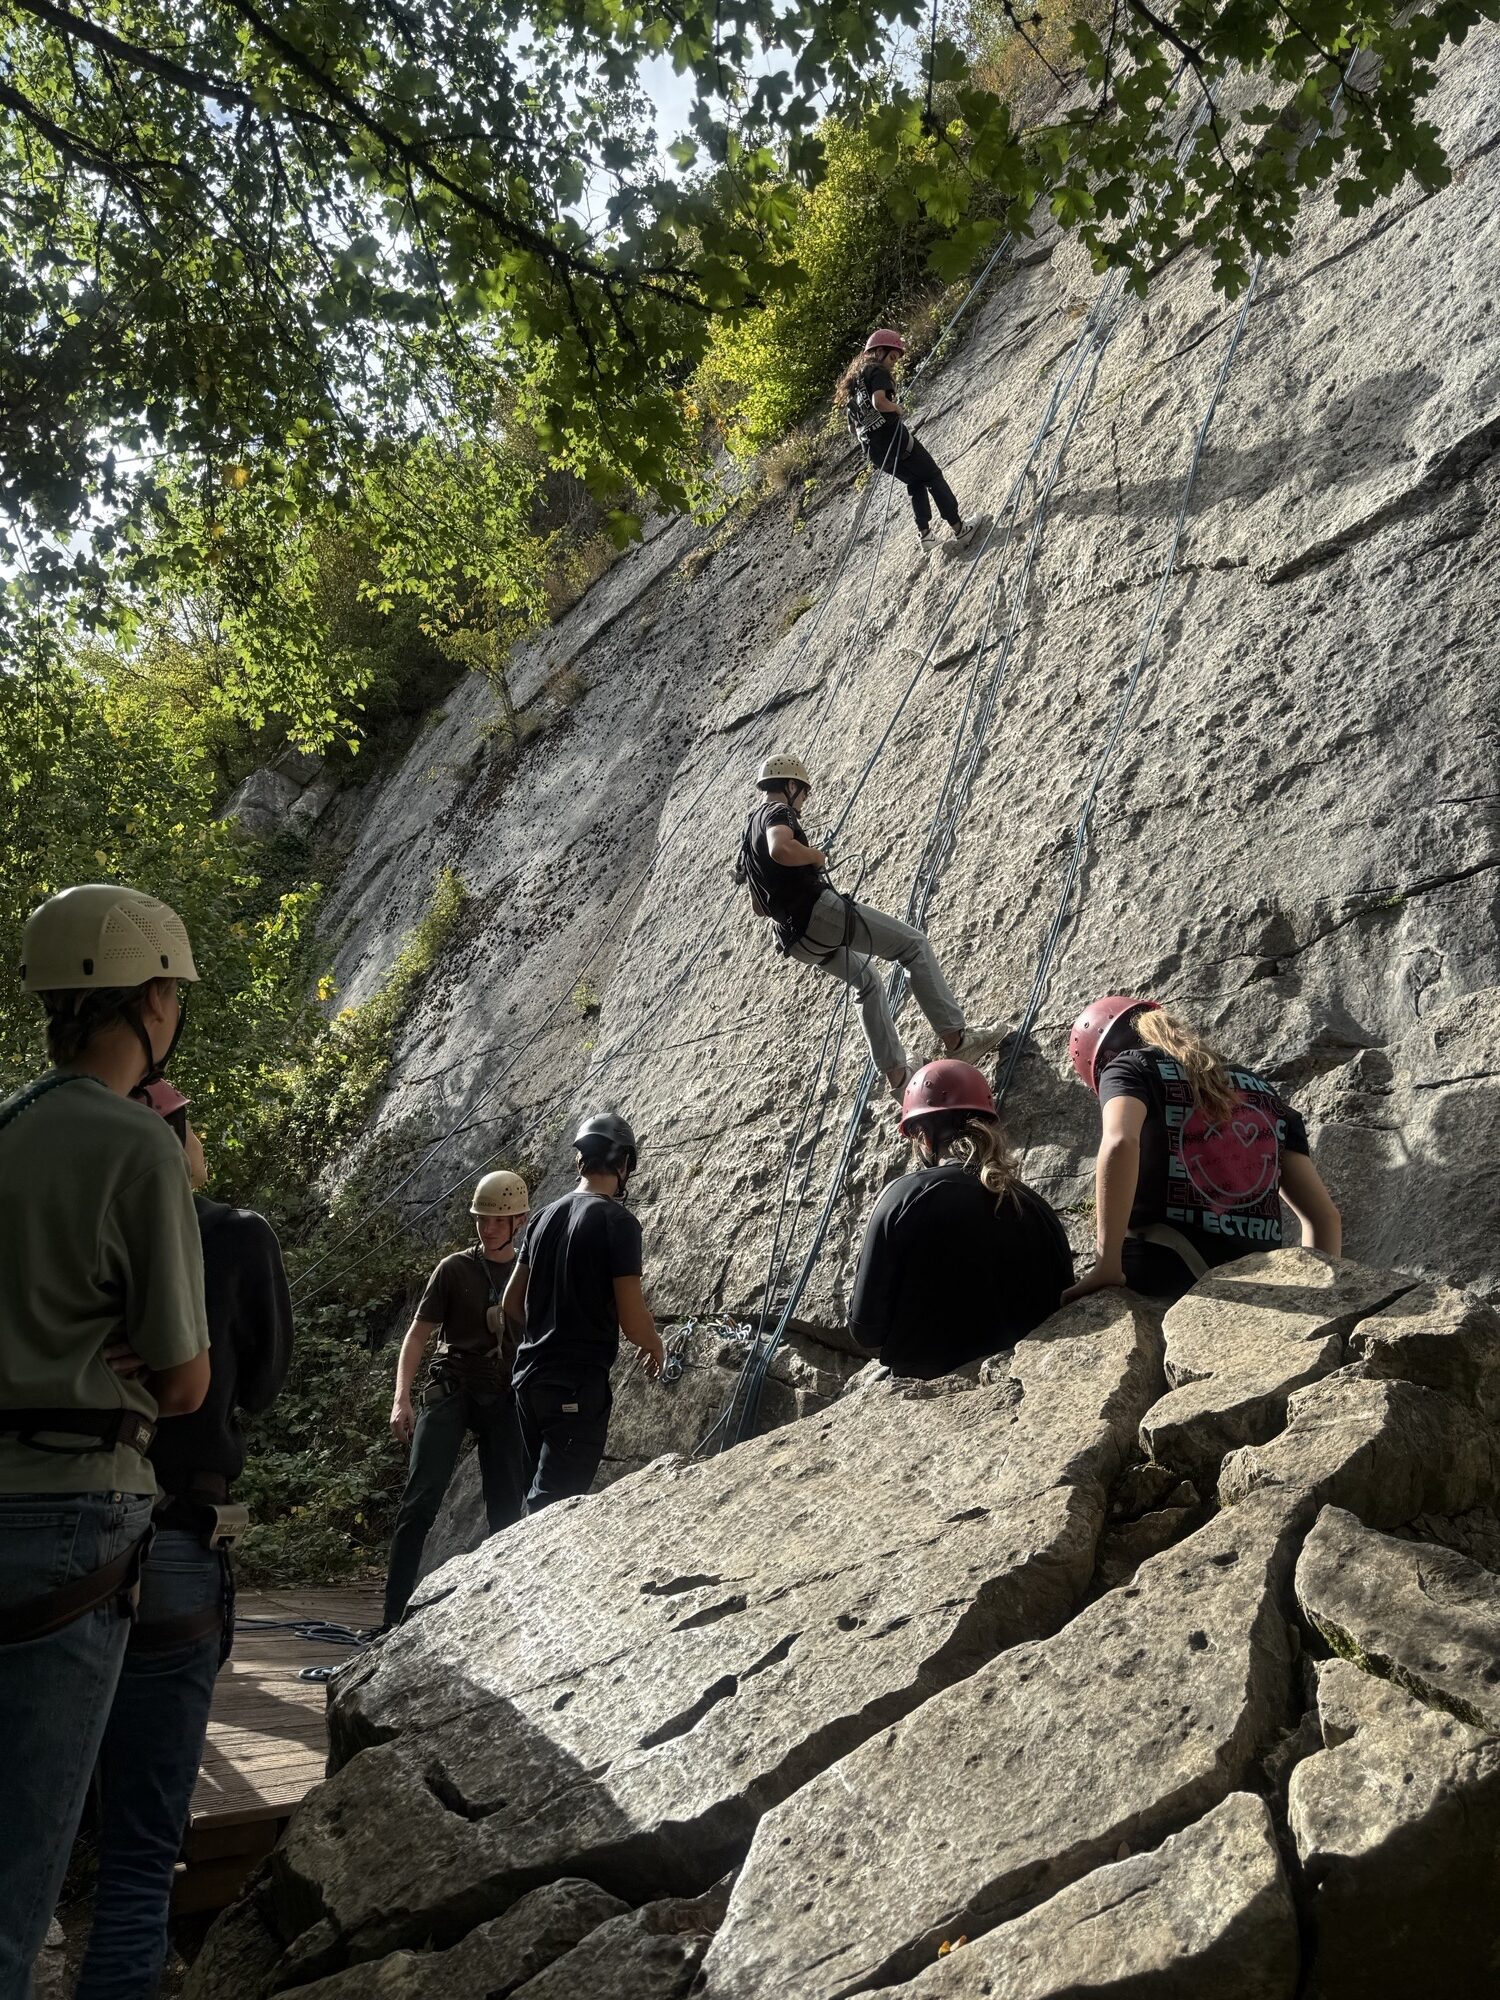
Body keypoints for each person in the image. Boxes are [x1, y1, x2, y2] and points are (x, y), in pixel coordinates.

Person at [0, 885, 210, 2000]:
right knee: (16, 1884)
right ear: (150, 997)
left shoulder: (5, 1125)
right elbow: (184, 1381)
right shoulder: (138, 1148)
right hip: (79, 1516)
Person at [75, 1080, 293, 2000]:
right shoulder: (235, 1233)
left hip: (62, 1527)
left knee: (48, 1836)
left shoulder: (67, 1234)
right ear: (180, 1139)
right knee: (141, 1856)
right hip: (174, 1537)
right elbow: (267, 1378)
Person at [738, 755, 1002, 1098]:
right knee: (913, 946)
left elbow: (758, 907)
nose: (802, 804)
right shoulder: (777, 812)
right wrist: (815, 856)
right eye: (802, 794)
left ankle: (899, 1079)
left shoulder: (746, 841)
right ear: (790, 786)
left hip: (796, 941)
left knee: (867, 982)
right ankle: (959, 1040)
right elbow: (780, 848)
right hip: (818, 913)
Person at [1062, 994, 1343, 1305]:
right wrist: (1318, 1300)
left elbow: (1120, 1141)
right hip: (1256, 1283)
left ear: (1102, 1059)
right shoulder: (1262, 1089)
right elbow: (1323, 1218)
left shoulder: (1127, 1066)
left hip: (1163, 1270)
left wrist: (1107, 1263)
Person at [851, 1061, 1074, 1377]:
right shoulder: (1036, 1207)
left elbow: (865, 1330)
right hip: (1025, 1376)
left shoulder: (902, 1198)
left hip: (928, 1392)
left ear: (923, 1136)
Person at [382, 1171, 532, 1627]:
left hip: (503, 1395)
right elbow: (416, 1337)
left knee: (509, 1510)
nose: (487, 1228)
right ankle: (390, 1622)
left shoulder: (530, 1273)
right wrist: (401, 1398)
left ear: (519, 1221)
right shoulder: (453, 1269)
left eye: (497, 1220)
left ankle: (501, 1622)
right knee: (419, 1503)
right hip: (452, 1387)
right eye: (482, 1218)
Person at [502, 1114, 664, 1511]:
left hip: (528, 1381)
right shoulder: (618, 1222)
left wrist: (546, 1333)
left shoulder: (542, 1217)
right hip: (575, 1383)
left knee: (533, 1499)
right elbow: (632, 1316)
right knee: (554, 1510)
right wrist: (655, 1344)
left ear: (580, 1161)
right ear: (624, 1164)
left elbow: (510, 1301)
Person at [837, 329, 980, 552]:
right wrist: (896, 408)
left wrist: (874, 431)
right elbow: (879, 402)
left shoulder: (854, 384)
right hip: (897, 441)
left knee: (915, 482)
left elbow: (852, 428)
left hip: (876, 453)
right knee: (933, 475)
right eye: (892, 357)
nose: (893, 364)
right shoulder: (877, 370)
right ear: (879, 351)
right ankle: (961, 530)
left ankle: (926, 536)